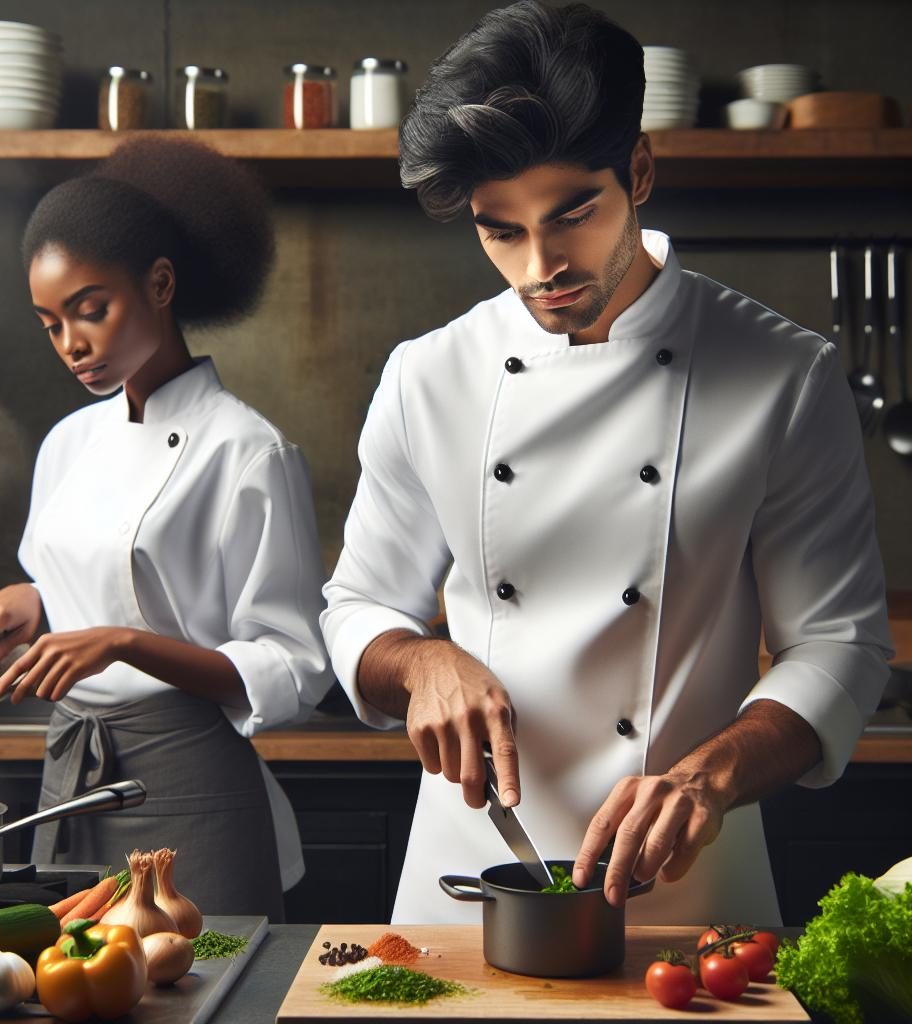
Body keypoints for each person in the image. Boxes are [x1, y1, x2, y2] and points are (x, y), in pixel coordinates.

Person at [322, 1, 893, 925]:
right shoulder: (427, 376)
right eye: (498, 229)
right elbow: (358, 608)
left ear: (638, 171)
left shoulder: (784, 373)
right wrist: (423, 661)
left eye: (572, 214)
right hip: (468, 873)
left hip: (685, 876)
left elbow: (837, 642)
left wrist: (710, 776)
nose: (539, 264)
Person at [0, 135, 334, 919]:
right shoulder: (69, 442)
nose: (72, 345)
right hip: (74, 780)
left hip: (192, 784)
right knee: (73, 991)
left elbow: (294, 668)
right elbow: (92, 584)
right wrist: (34, 602)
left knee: (206, 995)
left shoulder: (248, 451)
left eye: (92, 310)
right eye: (51, 323)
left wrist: (123, 644)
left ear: (160, 284)